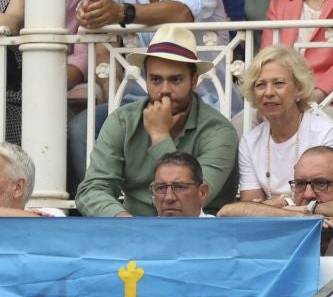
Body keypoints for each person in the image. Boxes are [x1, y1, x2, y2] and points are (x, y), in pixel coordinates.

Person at [76, 24, 239, 217]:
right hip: (132, 231)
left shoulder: (219, 131)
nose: (164, 90)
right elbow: (91, 190)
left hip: (199, 233)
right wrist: (126, 222)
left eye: (176, 80)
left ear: (194, 81)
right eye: (155, 80)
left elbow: (194, 199)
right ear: (146, 80)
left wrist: (160, 136)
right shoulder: (123, 121)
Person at [234, 45, 333, 203]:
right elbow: (250, 209)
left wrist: (280, 203)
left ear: (299, 88)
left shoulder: (323, 132)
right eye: (260, 85)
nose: (269, 92)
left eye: (278, 83)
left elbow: (326, 199)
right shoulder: (249, 142)